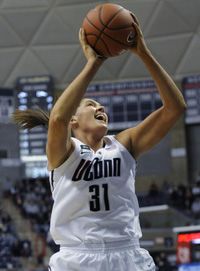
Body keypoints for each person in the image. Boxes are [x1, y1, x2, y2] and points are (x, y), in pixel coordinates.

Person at [13, 13, 186, 271]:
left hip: (128, 255)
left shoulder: (124, 144)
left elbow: (175, 108)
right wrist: (94, 62)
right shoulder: (62, 152)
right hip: (77, 258)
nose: (100, 106)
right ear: (74, 120)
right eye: (91, 104)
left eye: (101, 105)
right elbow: (57, 118)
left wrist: (143, 52)